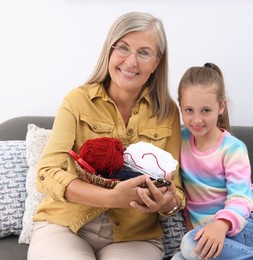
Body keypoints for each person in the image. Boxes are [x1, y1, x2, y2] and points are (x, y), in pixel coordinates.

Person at [28, 12, 185, 260]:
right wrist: (111, 197)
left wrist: (165, 203)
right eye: (123, 48)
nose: (131, 62)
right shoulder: (77, 101)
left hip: (135, 237)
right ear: (109, 51)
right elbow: (46, 173)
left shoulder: (168, 113)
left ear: (156, 62)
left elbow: (175, 190)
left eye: (144, 52)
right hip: (65, 226)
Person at [171, 63, 253, 260]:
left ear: (221, 106)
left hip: (251, 224)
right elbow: (185, 200)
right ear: (180, 106)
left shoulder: (233, 148)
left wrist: (221, 225)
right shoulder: (179, 141)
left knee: (189, 243)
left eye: (205, 110)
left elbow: (240, 198)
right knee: (179, 257)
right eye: (189, 110)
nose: (196, 119)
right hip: (209, 231)